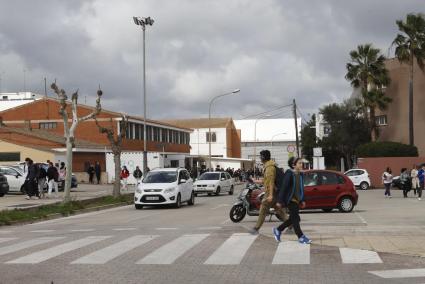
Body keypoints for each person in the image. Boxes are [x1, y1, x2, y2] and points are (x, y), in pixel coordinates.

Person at [273, 157, 312, 244]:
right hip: (290, 200)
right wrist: (279, 201)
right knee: (295, 219)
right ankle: (301, 237)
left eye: (302, 163)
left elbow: (301, 189)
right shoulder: (289, 173)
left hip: (297, 200)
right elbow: (284, 187)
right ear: (294, 165)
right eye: (299, 163)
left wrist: (302, 200)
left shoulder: (300, 174)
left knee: (294, 218)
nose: (301, 165)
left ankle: (278, 230)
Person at [249, 150, 287, 235]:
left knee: (263, 208)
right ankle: (291, 224)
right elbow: (267, 180)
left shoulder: (270, 167)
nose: (260, 157)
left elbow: (271, 182)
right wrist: (256, 181)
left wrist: (270, 195)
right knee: (279, 210)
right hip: (274, 192)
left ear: (263, 157)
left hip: (271, 192)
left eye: (260, 156)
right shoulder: (268, 166)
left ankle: (256, 228)